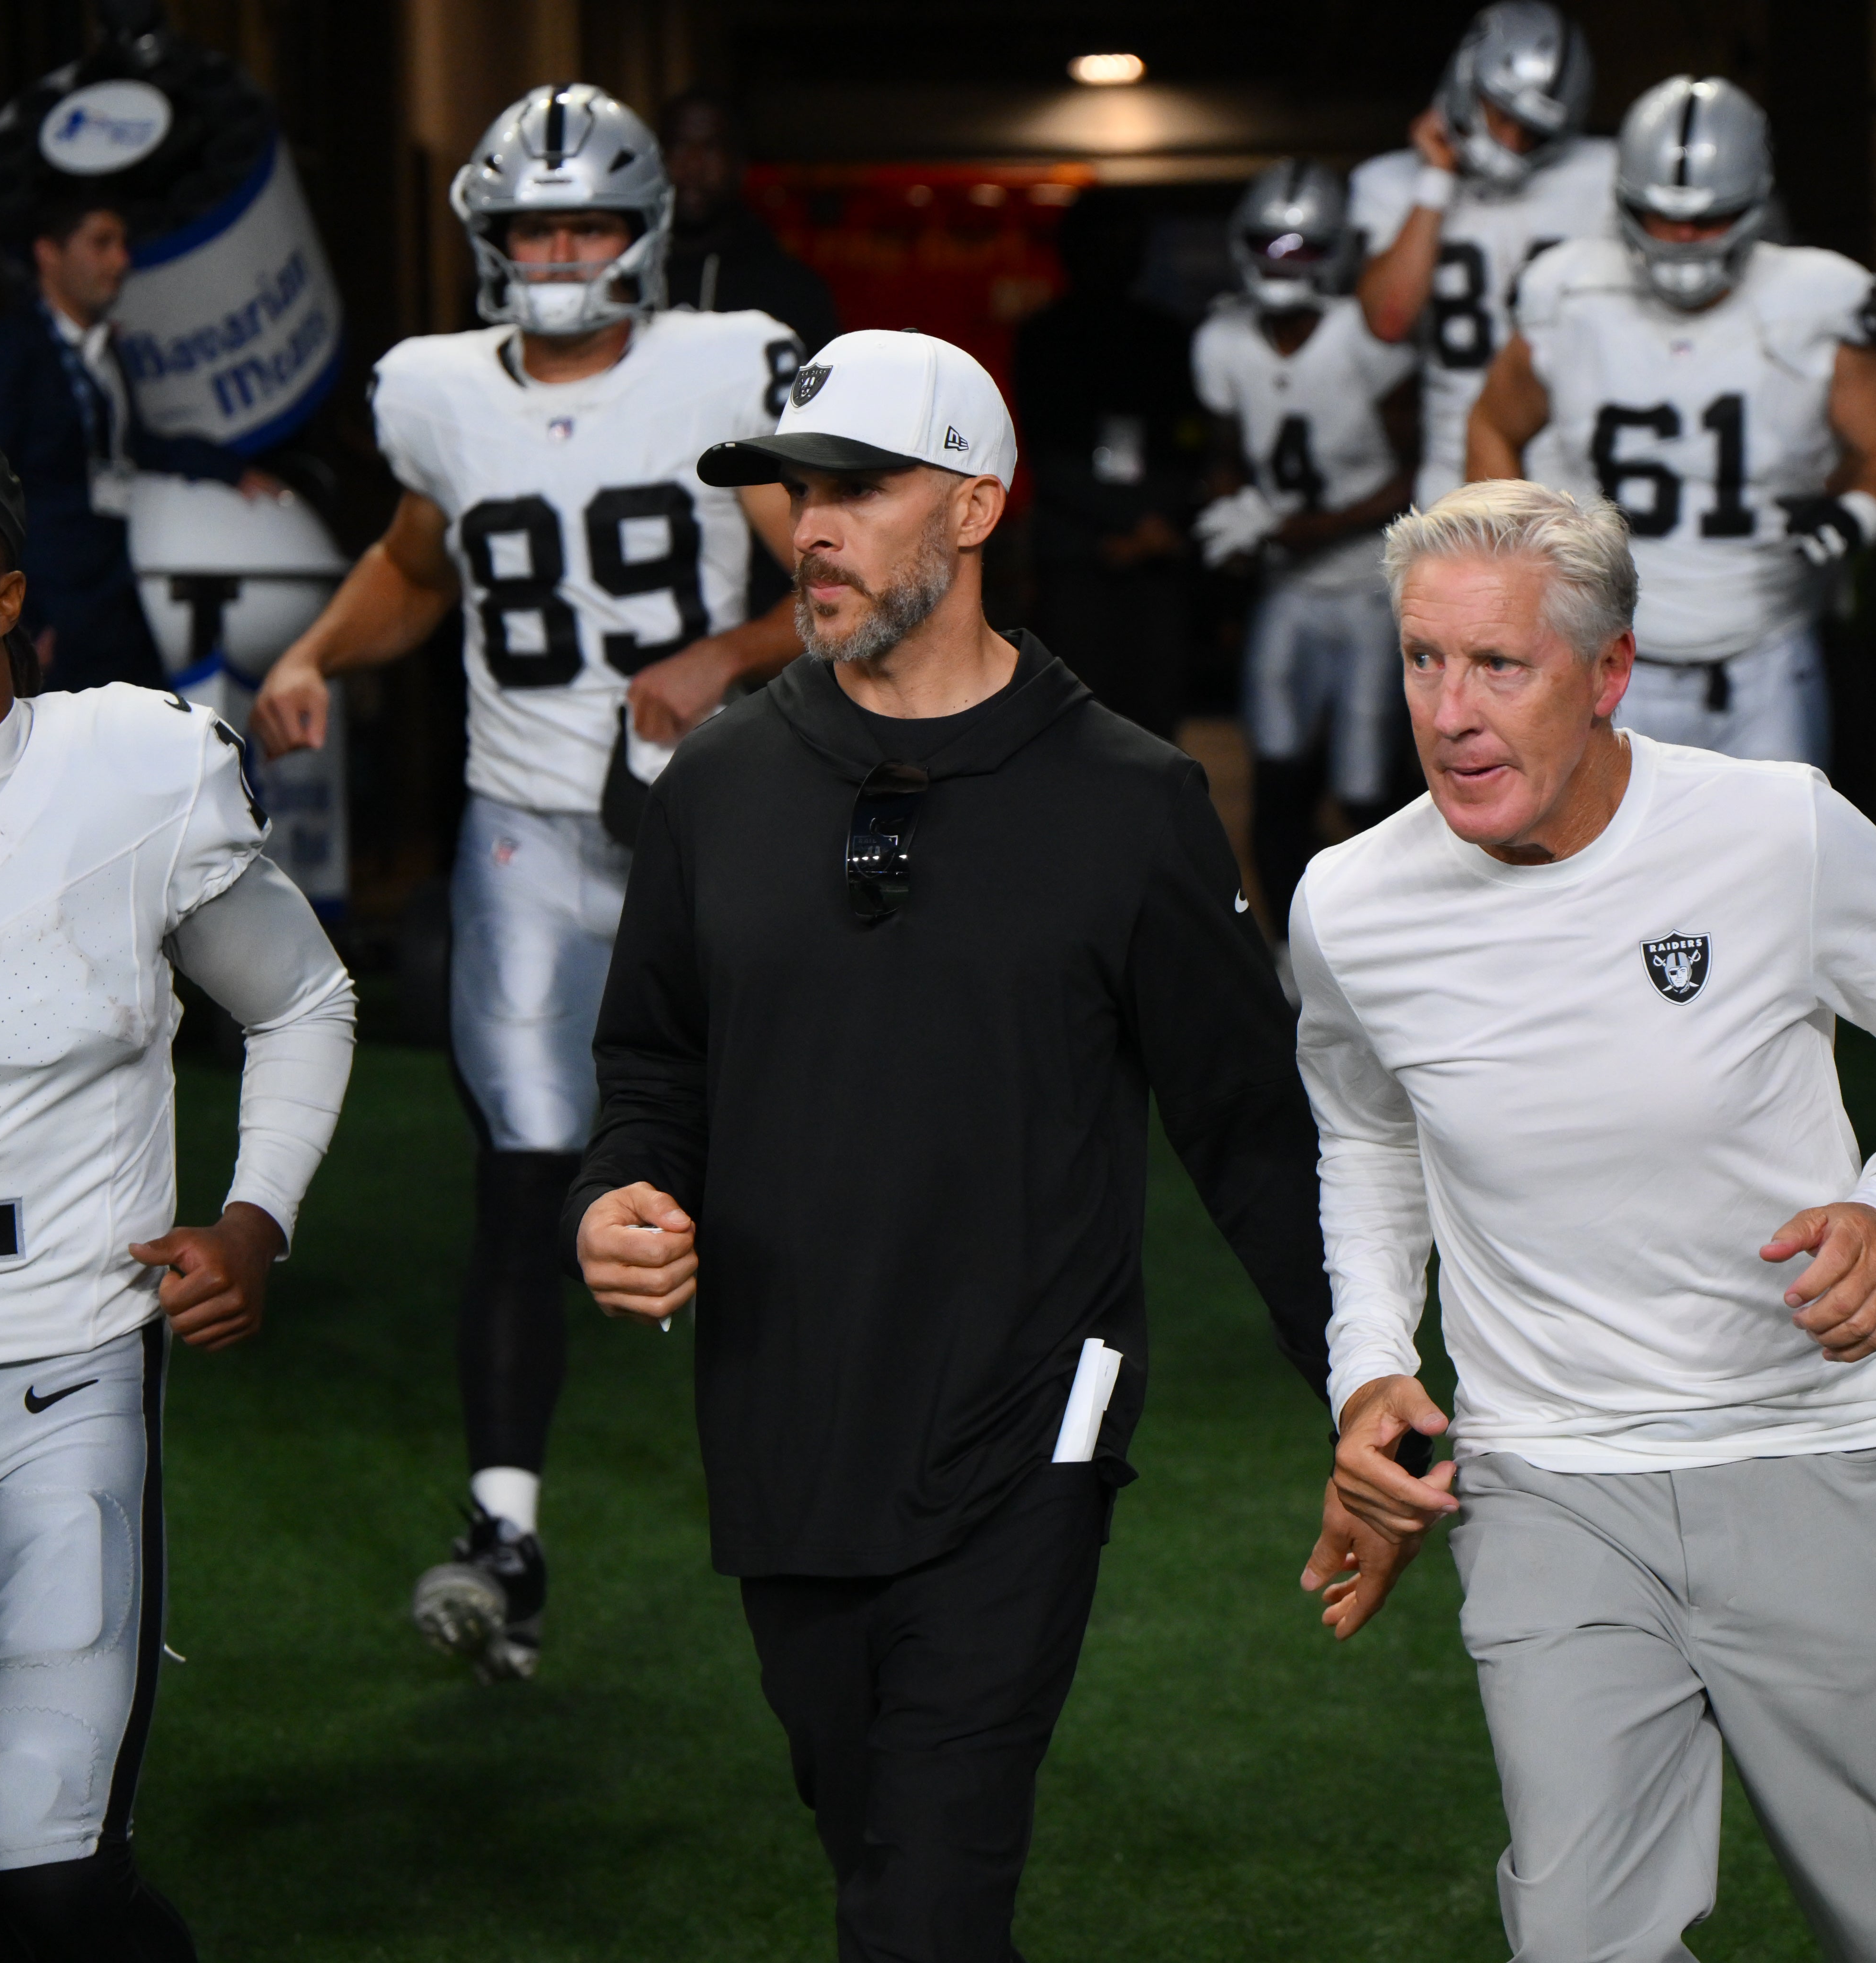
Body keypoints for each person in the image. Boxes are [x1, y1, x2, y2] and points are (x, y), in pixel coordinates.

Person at [567, 327, 1376, 1962]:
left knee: (926, 1900)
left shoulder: (1131, 800)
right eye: (797, 492)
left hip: (1027, 1435)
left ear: (978, 505)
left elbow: (1249, 1129)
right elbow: (652, 1059)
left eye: (862, 489)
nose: (813, 528)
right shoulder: (716, 783)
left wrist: (1362, 1382)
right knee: (876, 1856)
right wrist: (619, 1193)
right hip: (785, 1421)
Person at [1298, 479, 1876, 1963]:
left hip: (1819, 1452)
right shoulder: (1349, 905)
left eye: (1498, 664)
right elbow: (1367, 1133)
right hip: (1549, 1476)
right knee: (1581, 1943)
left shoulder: (1775, 829)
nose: (1450, 712)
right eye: (1424, 659)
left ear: (1608, 671)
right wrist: (1369, 1363)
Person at [249, 82, 804, 1683]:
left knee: (786, 1168)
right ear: (490, 239)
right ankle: (504, 1528)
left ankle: (832, 1495)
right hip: (523, 835)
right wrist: (317, 651)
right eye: (535, 229)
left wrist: (722, 655)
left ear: (646, 232)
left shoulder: (723, 365)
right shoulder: (437, 391)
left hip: (714, 826)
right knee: (520, 1177)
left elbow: (836, 581)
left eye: (587, 226)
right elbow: (418, 561)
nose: (560, 256)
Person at [0, 425, 355, 1962]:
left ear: (6, 600)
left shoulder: (128, 774)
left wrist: (255, 1217)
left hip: (61, 1367)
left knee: (45, 1852)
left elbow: (302, 999)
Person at [1467, 75, 1876, 765]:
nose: (1681, 238)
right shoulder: (1569, 295)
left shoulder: (1810, 302)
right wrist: (1514, 552)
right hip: (1605, 657)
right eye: (1658, 217)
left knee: (1776, 835)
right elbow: (1492, 424)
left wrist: (1855, 515)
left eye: (1708, 219)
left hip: (1764, 655)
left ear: (1755, 204)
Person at [1191, 159, 1421, 959]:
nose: (1284, 263)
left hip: (1368, 586)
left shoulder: (1367, 336)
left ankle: (1389, 951)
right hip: (1287, 589)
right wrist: (1232, 510)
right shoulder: (1222, 339)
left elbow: (1415, 470)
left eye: (1302, 247)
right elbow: (1225, 453)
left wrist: (1314, 527)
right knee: (1277, 774)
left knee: (1367, 786)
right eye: (1270, 245)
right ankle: (1292, 953)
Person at [0, 184, 284, 693]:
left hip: (113, 591)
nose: (121, 261)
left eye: (123, 244)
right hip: (50, 604)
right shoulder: (6, 354)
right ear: (49, 253)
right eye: (101, 243)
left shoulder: (104, 352)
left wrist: (228, 469)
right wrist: (15, 614)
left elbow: (127, 446)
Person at [1347, 3, 1615, 506]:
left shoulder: (1605, 175)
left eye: (1534, 131)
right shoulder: (1390, 183)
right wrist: (1436, 180)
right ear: (1465, 82)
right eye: (1503, 115)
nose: (1513, 142)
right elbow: (1389, 319)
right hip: (1456, 466)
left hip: (1584, 467)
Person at [1009, 195, 1200, 738]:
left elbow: (1191, 442)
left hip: (1152, 549)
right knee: (1075, 719)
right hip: (1081, 552)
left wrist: (1155, 525)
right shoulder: (1043, 336)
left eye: (1125, 244)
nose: (1114, 257)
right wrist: (1133, 527)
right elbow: (1044, 451)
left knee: (1153, 719)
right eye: (1102, 244)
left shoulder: (1166, 336)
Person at [658, 87, 843, 347]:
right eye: (680, 146)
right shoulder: (623, 280)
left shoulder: (789, 289)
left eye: (711, 147)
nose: (694, 165)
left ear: (739, 164)